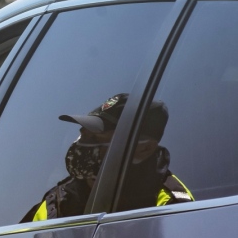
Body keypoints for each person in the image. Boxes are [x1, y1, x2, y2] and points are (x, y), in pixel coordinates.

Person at [23, 93, 193, 222]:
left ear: (145, 148)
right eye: (83, 135)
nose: (80, 145)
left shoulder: (170, 206)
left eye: (96, 138)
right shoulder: (61, 198)